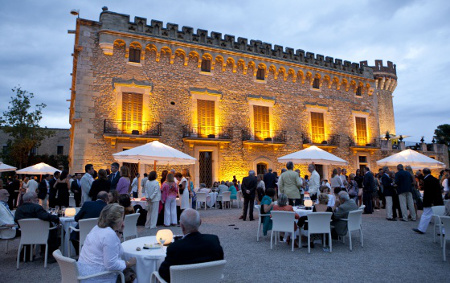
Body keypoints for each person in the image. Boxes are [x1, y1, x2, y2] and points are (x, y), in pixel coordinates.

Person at [158, 209, 224, 282]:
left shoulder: (175, 247)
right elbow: (219, 262)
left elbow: (163, 273)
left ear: (182, 226)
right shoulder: (213, 241)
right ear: (200, 222)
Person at [77, 203, 137, 282]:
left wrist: (119, 232)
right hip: (97, 277)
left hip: (84, 273)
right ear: (118, 220)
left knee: (129, 273)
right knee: (134, 276)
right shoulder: (109, 234)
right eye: (123, 218)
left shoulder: (97, 228)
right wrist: (129, 263)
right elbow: (111, 265)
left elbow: (115, 249)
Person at [14, 192, 60, 262]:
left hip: (26, 233)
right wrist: (56, 218)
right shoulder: (36, 207)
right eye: (36, 198)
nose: (37, 200)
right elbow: (45, 216)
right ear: (29, 200)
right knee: (54, 230)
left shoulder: (18, 210)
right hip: (42, 233)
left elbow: (16, 220)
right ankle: (49, 254)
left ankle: (25, 255)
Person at [413, 168, 444, 234]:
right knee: (439, 215)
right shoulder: (434, 179)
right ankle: (442, 231)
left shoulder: (427, 180)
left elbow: (429, 192)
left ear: (424, 173)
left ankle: (421, 229)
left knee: (426, 214)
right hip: (437, 200)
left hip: (430, 200)